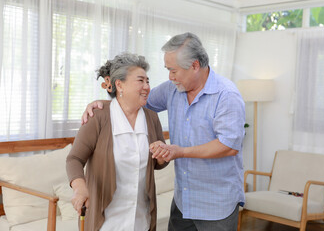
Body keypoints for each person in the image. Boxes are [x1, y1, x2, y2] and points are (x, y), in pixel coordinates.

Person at [82, 33, 246, 231]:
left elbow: (228, 146)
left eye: (173, 70)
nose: (170, 77)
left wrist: (180, 152)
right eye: (168, 70)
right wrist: (103, 105)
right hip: (183, 201)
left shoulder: (226, 95)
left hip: (216, 204)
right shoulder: (172, 89)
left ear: (194, 66)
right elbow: (135, 100)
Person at [66, 52, 168, 231]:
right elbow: (74, 159)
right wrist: (79, 187)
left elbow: (159, 163)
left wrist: (162, 155)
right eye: (140, 81)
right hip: (106, 221)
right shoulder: (98, 116)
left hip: (141, 218)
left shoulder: (151, 118)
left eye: (148, 81)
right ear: (119, 85)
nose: (147, 87)